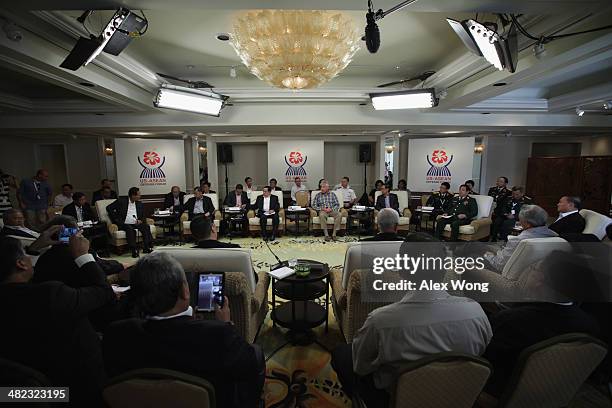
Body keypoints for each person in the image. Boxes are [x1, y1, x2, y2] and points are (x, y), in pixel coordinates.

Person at [331, 233, 492, 408]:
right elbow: (482, 351)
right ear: (445, 268)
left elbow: (361, 367)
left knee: (342, 354)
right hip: (455, 395)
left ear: (401, 270)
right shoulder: (476, 311)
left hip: (395, 399)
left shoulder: (380, 321)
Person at [103, 252, 265, 408]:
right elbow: (248, 364)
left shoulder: (115, 334)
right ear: (184, 291)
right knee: (256, 353)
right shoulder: (219, 334)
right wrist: (226, 324)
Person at [0, 233, 116, 405]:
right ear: (21, 263)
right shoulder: (50, 295)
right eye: (25, 255)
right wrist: (83, 256)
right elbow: (104, 292)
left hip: (16, 394)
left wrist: (33, 249)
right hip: (73, 393)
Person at [483, 251, 600, 397]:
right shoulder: (590, 326)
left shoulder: (512, 321)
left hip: (499, 393)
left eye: (533, 269)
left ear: (539, 280)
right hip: (553, 394)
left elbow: (482, 364)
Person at [484, 205, 557, 272]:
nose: (519, 223)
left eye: (521, 221)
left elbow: (499, 265)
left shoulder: (519, 240)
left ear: (528, 224)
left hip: (504, 276)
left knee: (478, 254)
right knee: (487, 247)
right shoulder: (554, 235)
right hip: (532, 272)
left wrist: (488, 256)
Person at [106, 187, 153, 258]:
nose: (140, 196)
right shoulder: (121, 201)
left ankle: (146, 247)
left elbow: (143, 215)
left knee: (146, 227)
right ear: (133, 196)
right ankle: (134, 249)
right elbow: (109, 208)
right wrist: (116, 219)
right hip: (125, 223)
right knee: (130, 229)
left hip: (135, 222)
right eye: (138, 195)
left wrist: (141, 220)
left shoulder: (139, 203)